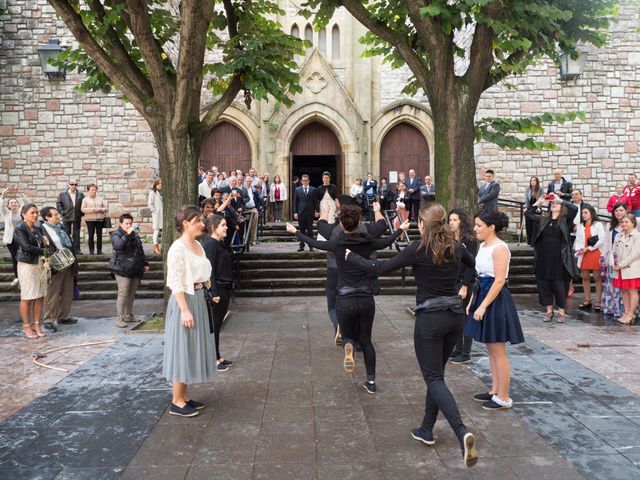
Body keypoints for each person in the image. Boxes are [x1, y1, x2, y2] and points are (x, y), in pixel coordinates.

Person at [345, 203, 479, 469]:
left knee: (433, 377)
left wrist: (352, 258)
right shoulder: (457, 246)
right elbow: (472, 263)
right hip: (454, 316)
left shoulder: (418, 249)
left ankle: (461, 431)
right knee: (437, 376)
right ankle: (427, 428)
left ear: (422, 224)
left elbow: (380, 268)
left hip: (430, 319)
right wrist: (463, 283)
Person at [287, 204, 407, 394]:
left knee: (348, 334)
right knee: (367, 340)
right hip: (366, 297)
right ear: (359, 222)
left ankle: (348, 344)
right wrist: (401, 228)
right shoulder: (367, 242)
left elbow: (315, 243)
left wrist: (295, 231)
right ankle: (371, 381)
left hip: (344, 297)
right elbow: (386, 242)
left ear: (341, 224)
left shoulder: (337, 244)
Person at [464, 210, 524, 410]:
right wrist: (472, 302)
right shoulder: (483, 246)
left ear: (492, 227)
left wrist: (482, 305)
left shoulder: (500, 248)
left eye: (479, 225)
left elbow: (499, 281)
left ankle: (504, 397)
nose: (475, 228)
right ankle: (495, 389)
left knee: (498, 350)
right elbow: (479, 277)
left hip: (495, 300)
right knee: (491, 348)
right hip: (483, 294)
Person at [163, 205, 217, 418]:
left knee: (191, 347)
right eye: (198, 222)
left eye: (202, 221)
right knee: (182, 348)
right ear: (186, 224)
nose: (203, 224)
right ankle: (176, 401)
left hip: (198, 299)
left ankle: (183, 396)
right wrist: (184, 310)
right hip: (184, 301)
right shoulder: (178, 248)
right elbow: (174, 282)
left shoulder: (197, 244)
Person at [315, 199, 390, 344]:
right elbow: (382, 224)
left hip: (335, 270)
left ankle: (339, 325)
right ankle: (359, 341)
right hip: (363, 271)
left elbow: (320, 225)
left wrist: (325, 210)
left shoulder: (333, 230)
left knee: (333, 304)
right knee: (361, 304)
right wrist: (377, 211)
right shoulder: (368, 230)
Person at [526, 196, 579, 323]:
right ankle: (549, 312)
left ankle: (561, 312)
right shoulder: (544, 219)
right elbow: (528, 214)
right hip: (544, 259)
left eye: (557, 204)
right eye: (552, 203)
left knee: (560, 286)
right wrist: (539, 202)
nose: (554, 204)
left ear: (562, 207)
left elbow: (574, 208)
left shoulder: (565, 220)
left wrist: (559, 199)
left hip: (560, 259)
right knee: (544, 285)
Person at [201, 214, 235, 372]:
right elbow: (209, 271)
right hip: (217, 290)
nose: (226, 227)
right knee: (213, 326)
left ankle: (217, 356)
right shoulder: (210, 244)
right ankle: (212, 359)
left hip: (224, 288)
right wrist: (213, 292)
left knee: (217, 325)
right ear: (214, 227)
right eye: (223, 225)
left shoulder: (218, 243)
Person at [14, 203, 50, 339]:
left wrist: (45, 248)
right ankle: (26, 326)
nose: (35, 215)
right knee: (28, 296)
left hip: (39, 265)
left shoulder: (37, 228)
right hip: (26, 265)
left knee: (40, 296)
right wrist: (45, 251)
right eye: (32, 213)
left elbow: (42, 244)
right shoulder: (20, 228)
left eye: (36, 213)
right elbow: (26, 247)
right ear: (24, 214)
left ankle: (36, 324)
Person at [108, 213, 149, 328]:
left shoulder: (135, 235)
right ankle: (119, 318)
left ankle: (129, 315)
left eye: (130, 223)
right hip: (121, 268)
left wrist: (145, 263)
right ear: (121, 224)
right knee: (123, 293)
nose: (129, 225)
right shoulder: (116, 234)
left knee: (131, 293)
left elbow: (140, 249)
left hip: (135, 267)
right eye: (126, 223)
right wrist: (127, 234)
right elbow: (118, 246)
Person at [448, 209, 478, 364]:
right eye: (450, 220)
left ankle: (465, 352)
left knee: (464, 317)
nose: (451, 223)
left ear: (461, 221)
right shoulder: (451, 238)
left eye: (454, 220)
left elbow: (471, 265)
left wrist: (465, 286)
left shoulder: (469, 240)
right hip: (454, 281)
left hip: (464, 282)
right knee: (456, 317)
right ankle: (457, 349)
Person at [40, 206, 77, 333]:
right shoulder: (42, 229)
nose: (58, 216)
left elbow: (69, 244)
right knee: (52, 293)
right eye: (55, 215)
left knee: (67, 291)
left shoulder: (61, 227)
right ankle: (49, 319)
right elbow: (42, 248)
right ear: (47, 217)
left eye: (58, 214)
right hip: (54, 265)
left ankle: (64, 316)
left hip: (68, 262)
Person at [602, 203, 632, 317]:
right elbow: (607, 243)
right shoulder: (610, 226)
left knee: (628, 288)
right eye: (616, 211)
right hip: (613, 261)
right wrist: (603, 257)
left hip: (629, 261)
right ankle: (615, 308)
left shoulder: (633, 224)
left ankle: (629, 310)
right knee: (614, 287)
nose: (618, 213)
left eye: (621, 210)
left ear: (626, 211)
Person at [574, 204, 605, 311]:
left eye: (586, 212)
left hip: (595, 253)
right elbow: (578, 240)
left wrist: (589, 248)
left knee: (597, 278)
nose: (583, 215)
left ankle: (598, 301)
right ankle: (587, 300)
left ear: (591, 213)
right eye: (582, 213)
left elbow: (602, 240)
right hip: (584, 254)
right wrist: (579, 250)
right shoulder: (580, 226)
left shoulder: (598, 224)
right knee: (585, 277)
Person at [612, 213, 640, 324]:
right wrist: (612, 263)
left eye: (626, 222)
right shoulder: (618, 236)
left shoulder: (638, 236)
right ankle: (626, 312)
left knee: (632, 291)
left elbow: (635, 254)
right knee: (623, 291)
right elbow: (613, 251)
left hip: (631, 268)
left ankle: (630, 313)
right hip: (619, 268)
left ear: (633, 223)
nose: (624, 224)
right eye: (622, 222)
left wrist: (621, 264)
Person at [2, 187, 29, 287]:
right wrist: (4, 194)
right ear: (8, 206)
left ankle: (24, 276)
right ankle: (16, 277)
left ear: (17, 204)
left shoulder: (21, 211)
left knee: (23, 257)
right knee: (15, 258)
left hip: (21, 238)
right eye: (11, 203)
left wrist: (20, 193)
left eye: (15, 202)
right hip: (11, 240)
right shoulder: (6, 213)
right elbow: (1, 205)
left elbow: (27, 203)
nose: (13, 204)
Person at [56, 179, 85, 254]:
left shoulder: (80, 194)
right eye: (72, 184)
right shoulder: (62, 194)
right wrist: (63, 212)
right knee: (66, 233)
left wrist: (81, 213)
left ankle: (77, 250)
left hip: (77, 216)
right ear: (68, 185)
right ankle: (68, 250)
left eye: (75, 184)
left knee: (77, 234)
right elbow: (59, 204)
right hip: (66, 217)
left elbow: (83, 204)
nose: (74, 186)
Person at [292, 174, 318, 252]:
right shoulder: (297, 190)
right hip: (301, 212)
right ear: (301, 181)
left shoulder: (313, 189)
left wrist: (317, 210)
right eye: (303, 180)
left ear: (309, 181)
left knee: (310, 230)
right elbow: (295, 202)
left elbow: (315, 201)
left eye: (306, 180)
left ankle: (311, 246)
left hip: (310, 212)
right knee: (302, 230)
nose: (305, 182)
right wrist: (295, 212)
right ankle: (301, 246)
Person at [81, 184, 107, 256]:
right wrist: (92, 210)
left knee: (99, 235)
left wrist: (101, 209)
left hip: (99, 219)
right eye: (92, 190)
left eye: (95, 190)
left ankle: (99, 250)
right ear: (88, 190)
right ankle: (91, 251)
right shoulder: (85, 199)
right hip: (90, 220)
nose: (94, 191)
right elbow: (83, 209)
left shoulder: (100, 198)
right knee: (91, 235)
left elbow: (105, 208)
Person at [316, 171, 340, 238]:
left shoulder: (333, 187)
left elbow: (336, 198)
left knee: (331, 220)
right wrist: (316, 210)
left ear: (329, 179)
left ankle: (332, 237)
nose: (326, 179)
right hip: (322, 205)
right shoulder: (319, 188)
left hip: (332, 205)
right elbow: (317, 200)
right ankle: (322, 237)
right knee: (323, 220)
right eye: (324, 178)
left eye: (327, 178)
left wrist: (339, 208)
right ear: (322, 179)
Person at [524, 176, 544, 246]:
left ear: (537, 181)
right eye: (531, 180)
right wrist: (526, 207)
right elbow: (526, 199)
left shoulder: (540, 189)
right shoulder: (528, 189)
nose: (532, 182)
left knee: (535, 225)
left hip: (537, 208)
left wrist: (539, 207)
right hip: (530, 208)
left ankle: (534, 242)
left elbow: (541, 199)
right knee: (528, 225)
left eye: (534, 180)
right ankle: (529, 241)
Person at [148, 179, 163, 255]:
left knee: (164, 230)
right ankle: (155, 246)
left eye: (161, 184)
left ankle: (163, 246)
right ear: (155, 185)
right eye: (159, 184)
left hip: (163, 214)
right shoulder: (153, 193)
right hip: (157, 215)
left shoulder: (164, 193)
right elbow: (150, 204)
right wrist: (155, 211)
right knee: (156, 230)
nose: (160, 185)